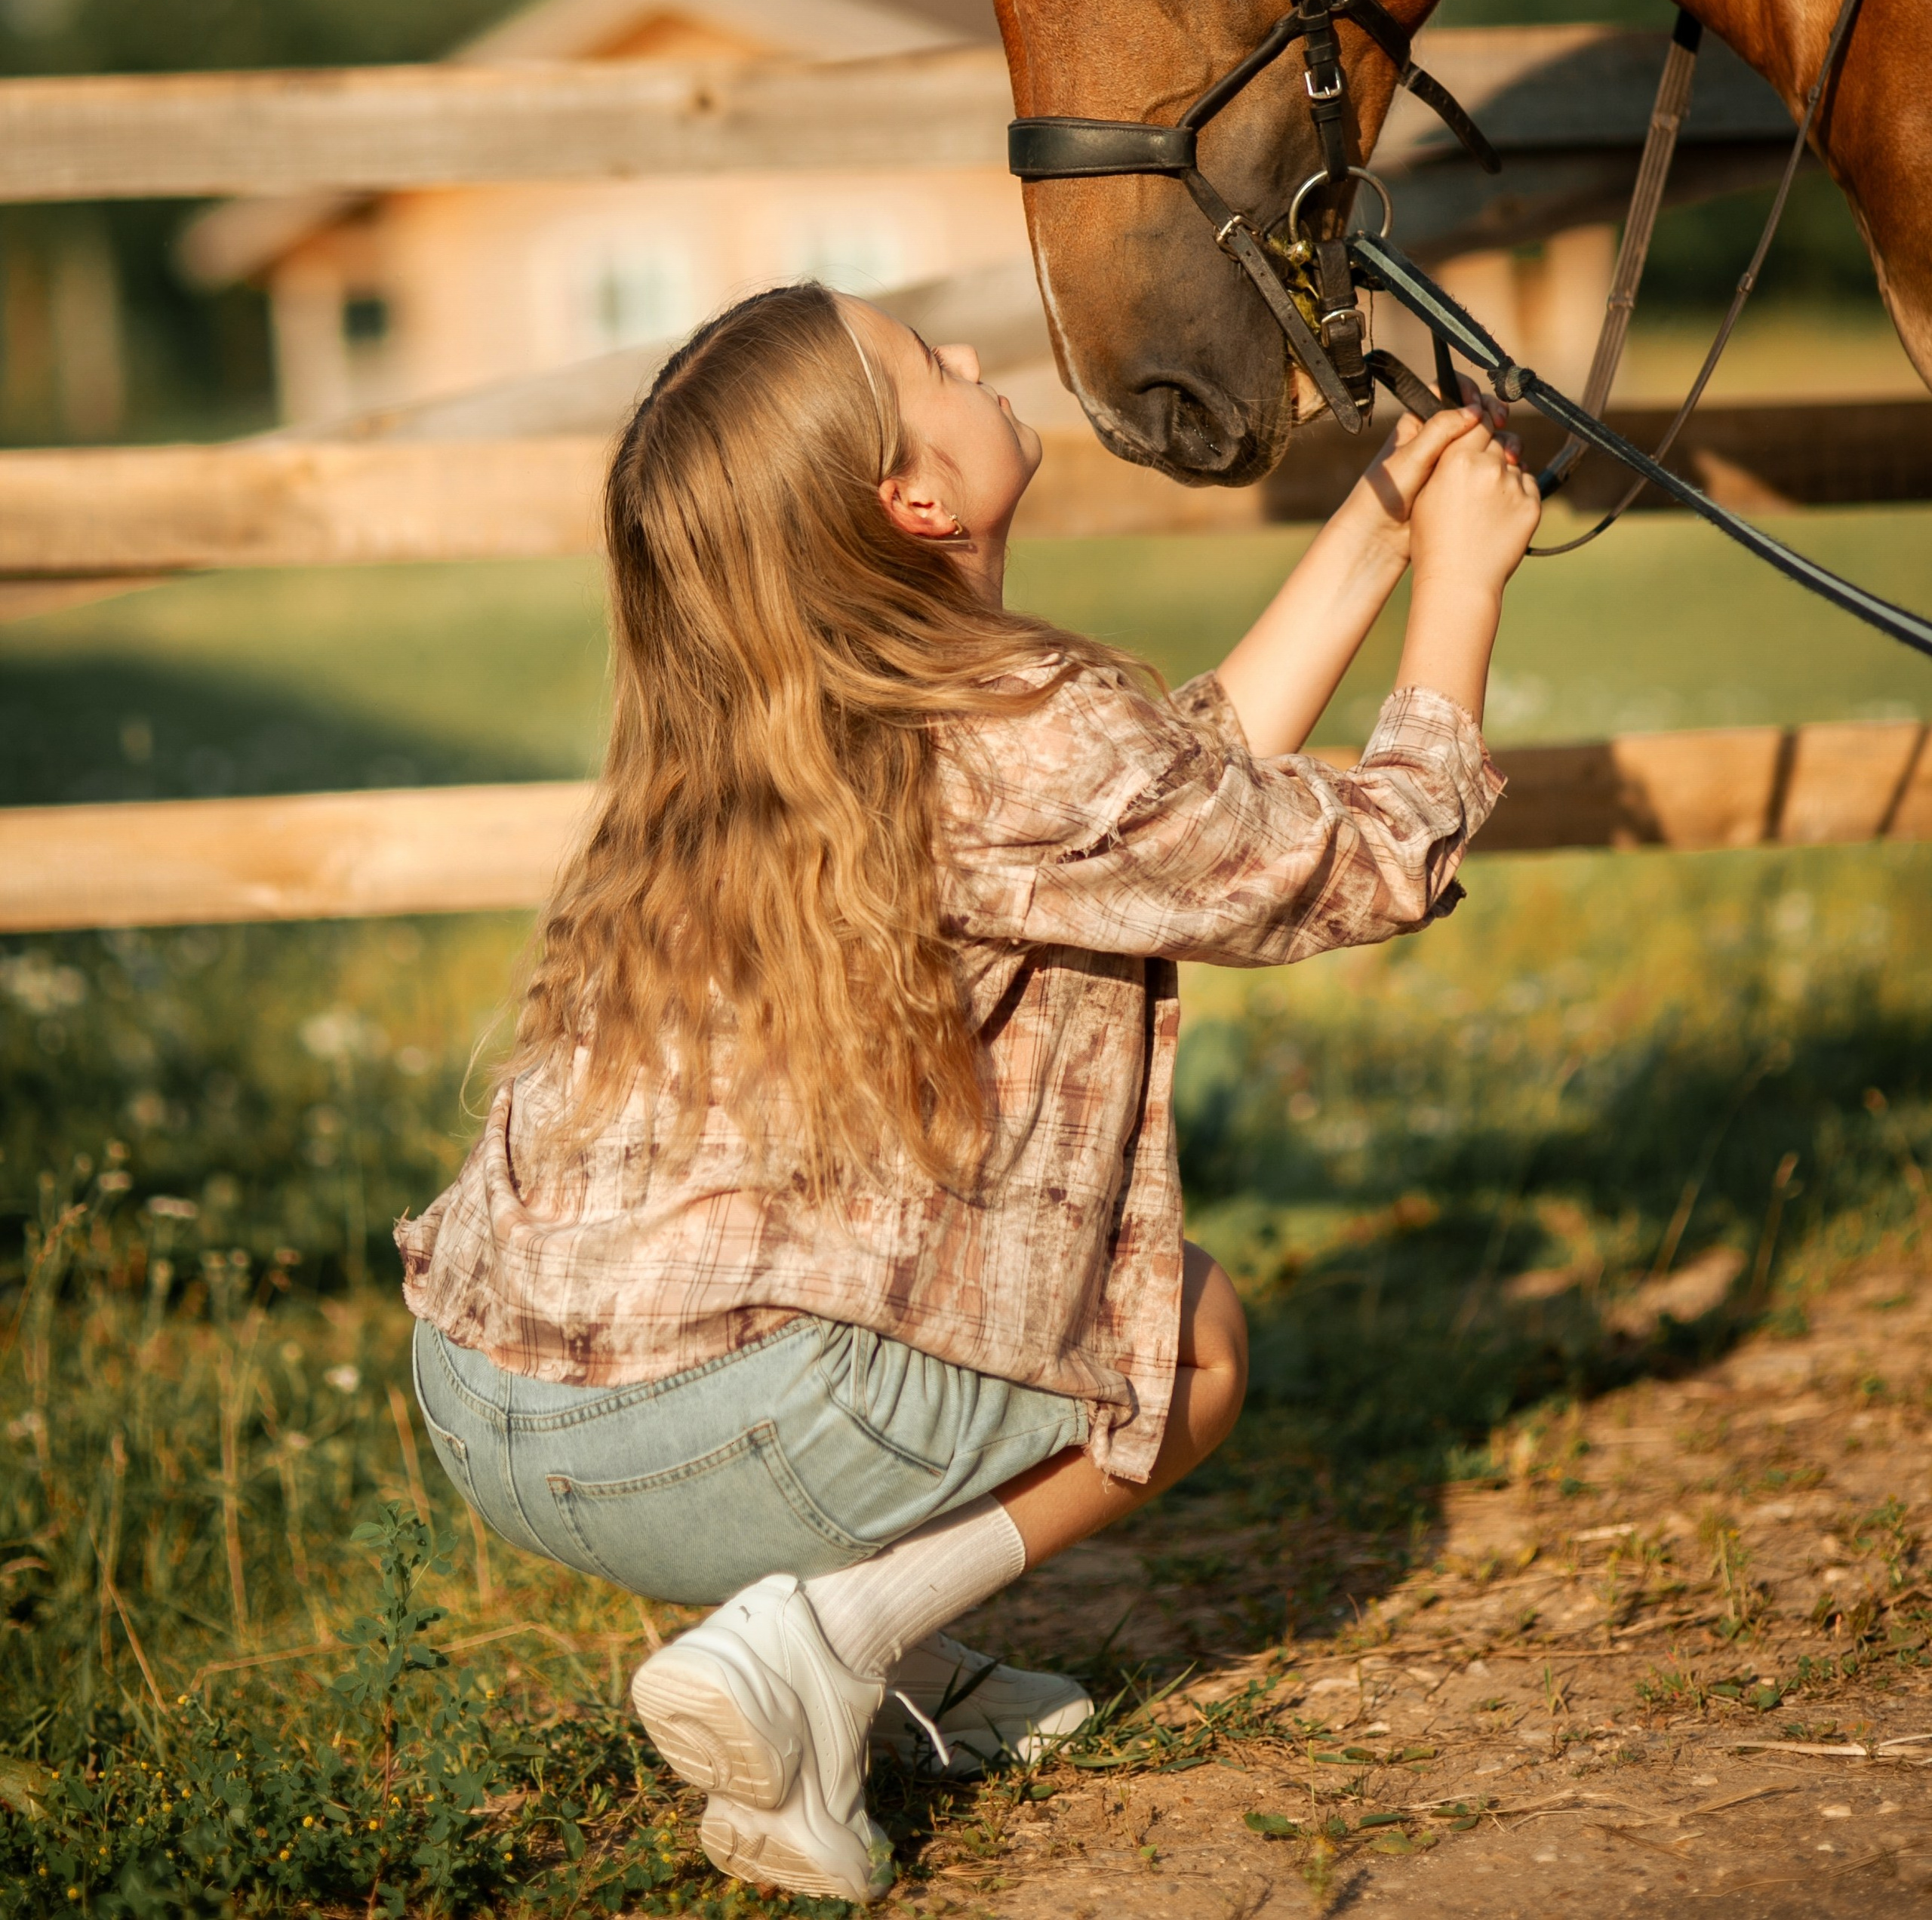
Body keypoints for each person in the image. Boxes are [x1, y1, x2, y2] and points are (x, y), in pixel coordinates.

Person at [397, 280, 1540, 1902]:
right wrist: (1464, 595)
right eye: (929, 367)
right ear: (912, 500)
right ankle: (826, 1641)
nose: (971, 363)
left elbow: (1169, 808)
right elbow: (1353, 859)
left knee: (898, 1295)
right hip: (702, 1432)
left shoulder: (758, 728)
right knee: (1190, 1336)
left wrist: (1376, 528)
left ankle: (871, 1675)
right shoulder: (1017, 724)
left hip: (483, 1409)